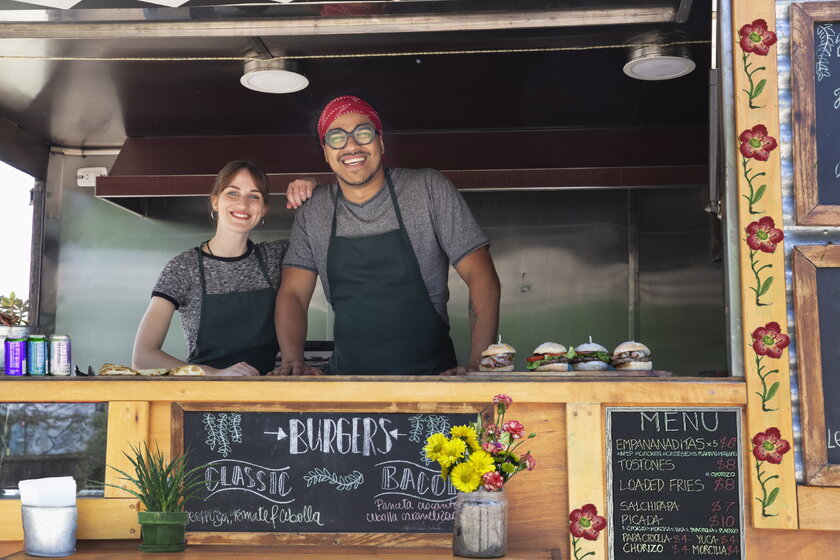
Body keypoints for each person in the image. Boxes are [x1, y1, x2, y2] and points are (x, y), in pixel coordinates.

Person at [273, 95, 500, 376]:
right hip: (348, 386)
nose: (352, 145)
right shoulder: (314, 210)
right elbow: (293, 293)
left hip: (432, 382)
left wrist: (480, 364)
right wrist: (292, 360)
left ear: (380, 142)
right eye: (337, 138)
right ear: (325, 151)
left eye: (363, 133)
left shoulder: (427, 189)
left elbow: (482, 275)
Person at [132, 161, 312, 376]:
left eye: (254, 196)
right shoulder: (184, 268)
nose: (243, 204)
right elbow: (142, 358)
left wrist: (312, 184)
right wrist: (214, 374)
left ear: (264, 210)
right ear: (215, 201)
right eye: (233, 193)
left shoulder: (276, 256)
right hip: (204, 398)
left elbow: (319, 233)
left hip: (265, 390)